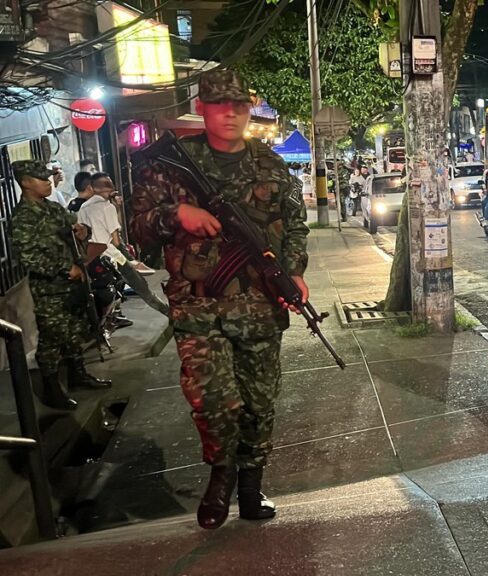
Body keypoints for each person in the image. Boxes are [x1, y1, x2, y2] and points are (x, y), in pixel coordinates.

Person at [130, 69, 309, 530]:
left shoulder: (271, 165)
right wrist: (177, 214)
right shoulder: (170, 165)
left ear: (249, 110)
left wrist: (294, 272)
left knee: (258, 401)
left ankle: (251, 487)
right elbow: (137, 228)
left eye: (239, 106)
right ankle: (220, 478)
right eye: (219, 105)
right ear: (203, 108)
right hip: (199, 305)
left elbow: (294, 226)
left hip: (259, 307)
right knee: (211, 401)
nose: (230, 114)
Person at [10, 160, 112, 411]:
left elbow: (76, 225)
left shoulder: (52, 209)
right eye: (41, 179)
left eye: (48, 178)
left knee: (75, 327)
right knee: (52, 335)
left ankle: (78, 374)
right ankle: (52, 387)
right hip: (49, 287)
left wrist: (82, 230)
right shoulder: (22, 218)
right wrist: (64, 269)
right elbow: (26, 256)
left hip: (74, 282)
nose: (48, 182)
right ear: (25, 183)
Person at [78, 172, 169, 317]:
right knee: (141, 287)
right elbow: (116, 240)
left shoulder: (84, 207)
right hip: (112, 254)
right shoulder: (107, 207)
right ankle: (169, 313)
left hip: (93, 255)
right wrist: (128, 258)